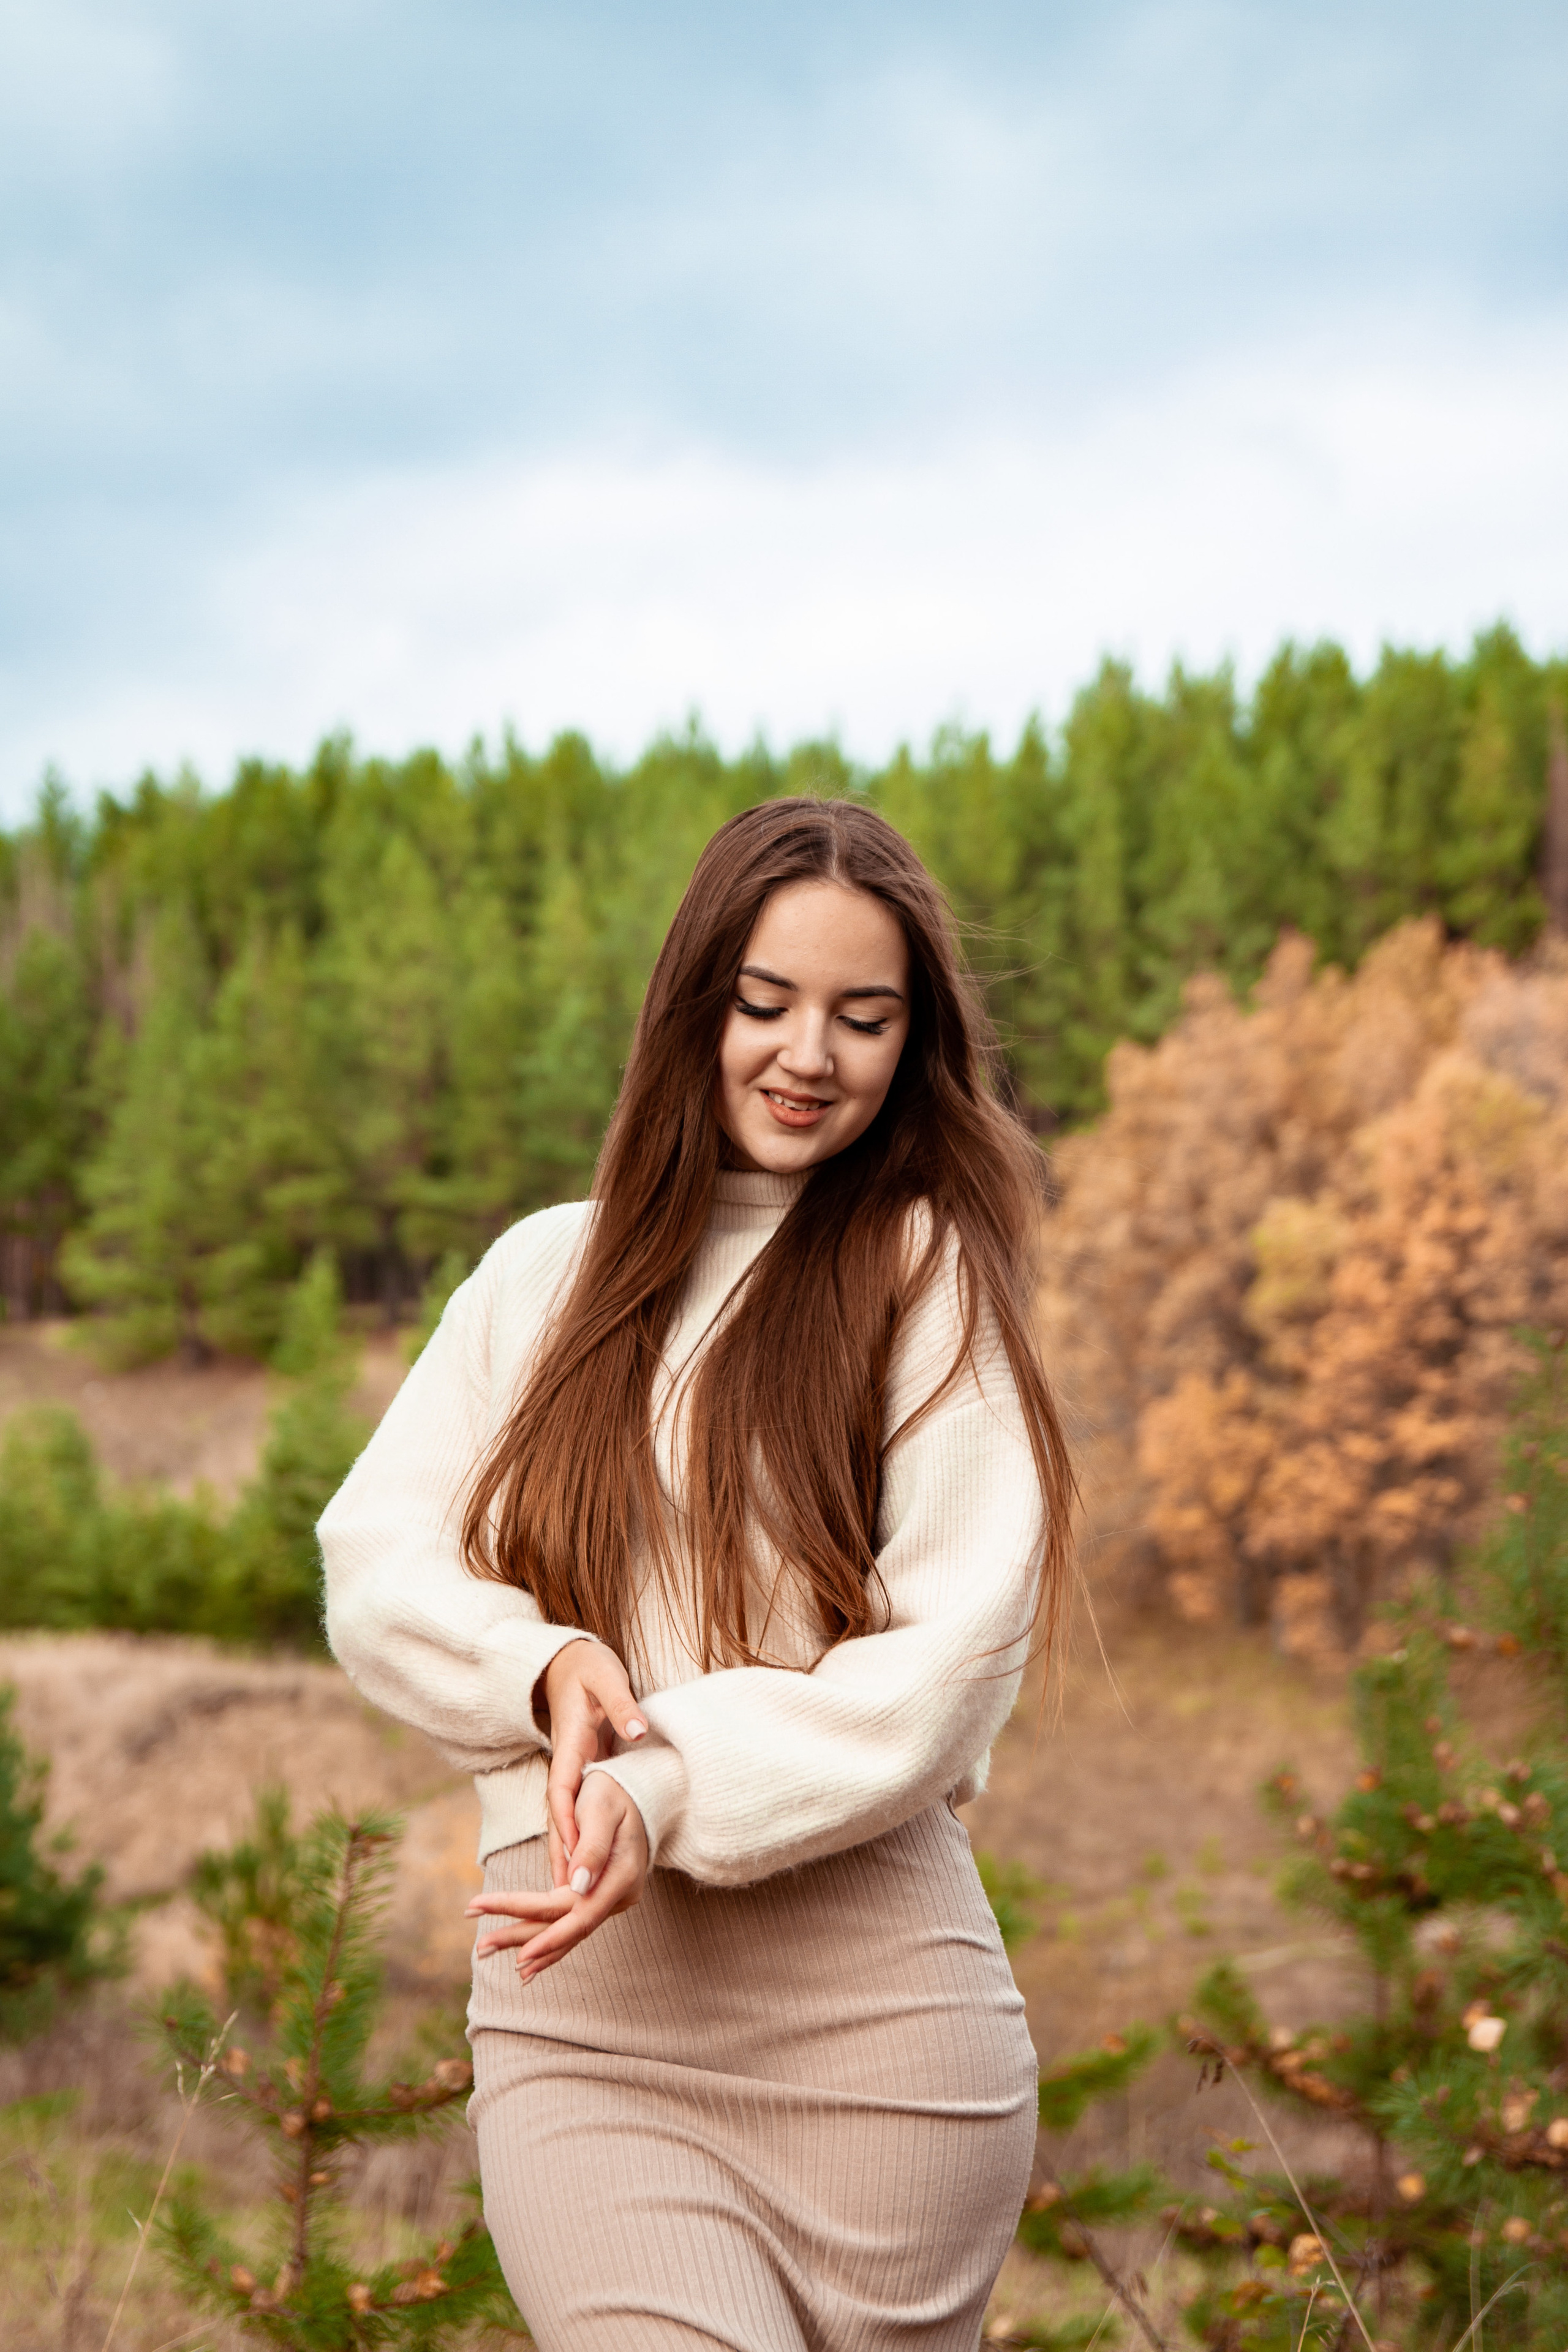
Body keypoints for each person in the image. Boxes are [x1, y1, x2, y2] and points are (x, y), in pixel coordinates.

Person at [320, 796, 1075, 2350]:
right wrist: (537, 1666)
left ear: (909, 1045)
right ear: (692, 1008)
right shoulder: (543, 1274)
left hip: (878, 2036)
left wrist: (665, 1785)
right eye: (765, 1003)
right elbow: (373, 1556)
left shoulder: (924, 1271)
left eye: (863, 1019)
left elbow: (947, 1664)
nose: (810, 1053)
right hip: (582, 2030)